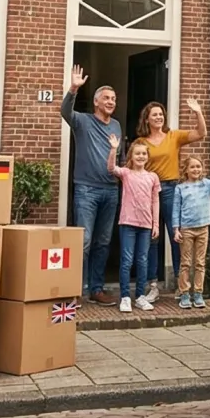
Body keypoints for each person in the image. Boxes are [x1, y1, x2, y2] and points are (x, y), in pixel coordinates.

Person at [127, 99, 208, 301]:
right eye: (154, 114)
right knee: (152, 238)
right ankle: (153, 285)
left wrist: (198, 112)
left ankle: (182, 287)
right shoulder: (141, 142)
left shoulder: (174, 136)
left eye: (161, 114)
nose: (158, 117)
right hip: (150, 191)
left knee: (176, 235)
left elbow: (201, 133)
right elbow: (131, 166)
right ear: (147, 118)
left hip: (171, 189)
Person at [62, 66, 123, 304]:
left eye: (114, 99)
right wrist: (74, 89)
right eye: (106, 98)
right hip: (86, 189)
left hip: (111, 190)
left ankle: (96, 289)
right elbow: (65, 112)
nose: (111, 101)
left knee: (103, 242)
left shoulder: (116, 125)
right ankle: (75, 290)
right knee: (84, 242)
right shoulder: (83, 122)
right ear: (96, 102)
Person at [106, 140, 162, 312]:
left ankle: (140, 296)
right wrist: (114, 149)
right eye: (137, 153)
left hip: (145, 224)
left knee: (142, 260)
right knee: (127, 260)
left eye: (144, 153)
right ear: (131, 155)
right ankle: (124, 297)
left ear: (147, 157)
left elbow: (155, 200)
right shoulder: (126, 173)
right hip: (128, 223)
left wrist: (156, 224)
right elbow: (111, 168)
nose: (141, 156)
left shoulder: (153, 177)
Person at [172, 154, 210, 308]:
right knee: (185, 263)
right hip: (186, 230)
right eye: (192, 167)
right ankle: (184, 293)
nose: (196, 169)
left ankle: (198, 293)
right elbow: (176, 209)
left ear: (202, 169)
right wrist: (176, 229)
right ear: (186, 170)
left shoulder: (207, 184)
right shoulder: (181, 188)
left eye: (198, 166)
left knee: (200, 263)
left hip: (203, 228)